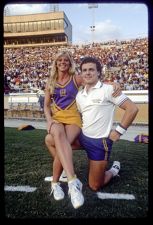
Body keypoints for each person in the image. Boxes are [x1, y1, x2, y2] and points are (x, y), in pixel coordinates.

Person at [44, 51, 121, 208]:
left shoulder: (76, 78)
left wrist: (113, 83)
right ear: (56, 63)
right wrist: (49, 120)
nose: (63, 62)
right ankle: (71, 181)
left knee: (60, 142)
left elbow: (93, 79)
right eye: (60, 60)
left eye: (66, 60)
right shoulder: (50, 82)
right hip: (57, 119)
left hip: (73, 119)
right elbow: (46, 105)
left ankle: (58, 180)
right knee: (55, 136)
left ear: (70, 62)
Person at [75, 56, 139, 191]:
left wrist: (119, 131)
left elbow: (132, 108)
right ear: (81, 73)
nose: (87, 73)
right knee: (54, 140)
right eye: (84, 70)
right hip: (83, 137)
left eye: (91, 69)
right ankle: (65, 173)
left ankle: (113, 170)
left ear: (99, 72)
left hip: (99, 143)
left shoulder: (109, 89)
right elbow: (82, 115)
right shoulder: (79, 95)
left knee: (95, 185)